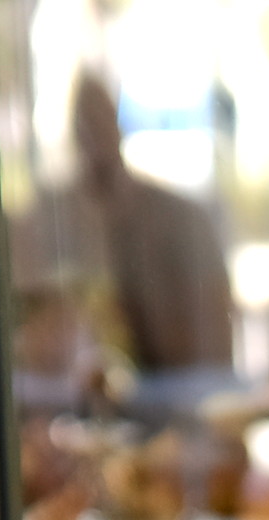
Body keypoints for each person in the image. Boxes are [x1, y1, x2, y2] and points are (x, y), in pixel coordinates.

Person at [70, 73, 240, 409]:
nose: (93, 139)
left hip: (184, 400)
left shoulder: (180, 219)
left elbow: (213, 349)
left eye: (101, 122)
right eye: (84, 126)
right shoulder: (66, 220)